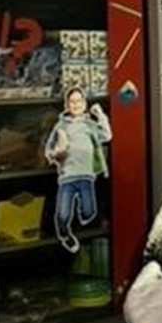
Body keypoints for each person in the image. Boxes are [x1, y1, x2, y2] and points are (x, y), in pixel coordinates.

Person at [44, 86, 112, 254]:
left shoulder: (89, 125)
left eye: (79, 101)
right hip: (67, 177)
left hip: (86, 176)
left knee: (88, 212)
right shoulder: (61, 126)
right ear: (67, 105)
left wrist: (100, 115)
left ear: (85, 104)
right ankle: (65, 234)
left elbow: (107, 136)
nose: (76, 105)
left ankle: (82, 230)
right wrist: (55, 154)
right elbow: (48, 149)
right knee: (62, 215)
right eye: (72, 101)